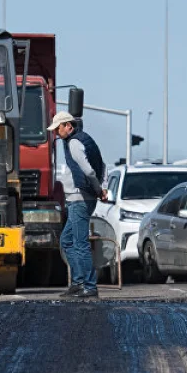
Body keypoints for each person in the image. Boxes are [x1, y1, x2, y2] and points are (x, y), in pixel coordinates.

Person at [49, 111, 108, 299]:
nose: (56, 133)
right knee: (66, 241)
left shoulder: (74, 143)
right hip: (81, 199)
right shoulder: (84, 140)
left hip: (79, 199)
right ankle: (78, 283)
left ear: (68, 125)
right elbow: (102, 165)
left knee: (80, 244)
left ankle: (89, 286)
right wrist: (101, 188)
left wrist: (99, 189)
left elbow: (89, 171)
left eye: (58, 129)